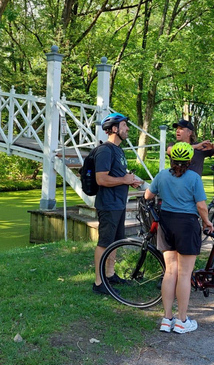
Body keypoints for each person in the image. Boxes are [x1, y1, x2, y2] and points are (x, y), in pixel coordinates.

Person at [145, 141, 214, 334]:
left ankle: (167, 319)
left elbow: (148, 195)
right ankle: (182, 320)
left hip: (166, 224)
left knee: (170, 272)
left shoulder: (161, 176)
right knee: (184, 274)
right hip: (187, 225)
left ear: (171, 158)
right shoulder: (194, 178)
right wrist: (207, 221)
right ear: (190, 160)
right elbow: (201, 206)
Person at [92, 112, 144, 295]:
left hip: (118, 204)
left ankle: (110, 274)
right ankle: (99, 283)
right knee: (104, 242)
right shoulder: (105, 150)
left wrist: (130, 180)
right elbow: (101, 179)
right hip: (108, 205)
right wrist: (124, 180)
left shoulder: (118, 151)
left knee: (114, 242)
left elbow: (119, 176)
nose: (127, 128)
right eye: (124, 125)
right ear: (114, 129)